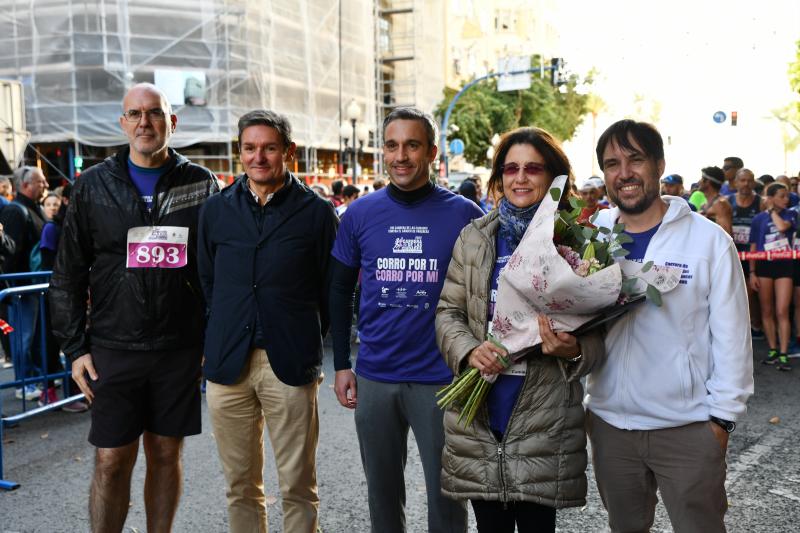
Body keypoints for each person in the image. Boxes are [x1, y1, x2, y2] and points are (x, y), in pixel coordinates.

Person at [49, 82, 219, 533]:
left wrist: (211, 340)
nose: (146, 122)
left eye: (155, 113)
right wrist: (75, 349)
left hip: (178, 347)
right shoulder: (92, 186)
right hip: (113, 346)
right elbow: (67, 273)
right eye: (136, 114)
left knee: (166, 455)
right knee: (110, 460)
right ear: (122, 123)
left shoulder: (200, 184)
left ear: (172, 121)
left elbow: (218, 270)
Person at [586, 119, 754, 533]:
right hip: (611, 428)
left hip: (688, 429)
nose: (623, 172)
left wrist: (721, 421)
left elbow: (733, 338)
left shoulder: (709, 242)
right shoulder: (591, 237)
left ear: (659, 165)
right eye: (612, 163)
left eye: (635, 159)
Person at [435, 127, 606, 533]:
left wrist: (572, 349)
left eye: (533, 168)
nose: (520, 178)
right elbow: (448, 312)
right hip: (478, 412)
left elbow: (599, 334)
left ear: (553, 177)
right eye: (510, 168)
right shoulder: (475, 238)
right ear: (499, 177)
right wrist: (468, 351)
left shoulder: (579, 242)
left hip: (543, 416)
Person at [329, 106, 482, 533]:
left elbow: (482, 292)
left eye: (412, 145)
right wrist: (342, 363)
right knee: (381, 494)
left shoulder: (465, 213)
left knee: (448, 496)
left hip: (442, 376)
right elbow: (339, 291)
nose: (401, 155)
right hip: (376, 375)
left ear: (432, 151)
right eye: (392, 145)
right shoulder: (359, 214)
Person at [198, 109, 337, 533]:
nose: (259, 157)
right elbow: (207, 282)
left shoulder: (316, 213)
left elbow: (330, 292)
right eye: (249, 148)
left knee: (297, 485)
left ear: (288, 152)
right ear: (239, 153)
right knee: (239, 485)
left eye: (269, 148)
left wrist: (302, 334)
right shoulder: (216, 210)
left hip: (290, 365)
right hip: (228, 365)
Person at [37, 183, 88, 413]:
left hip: (73, 294)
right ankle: (48, 392)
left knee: (76, 341)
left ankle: (74, 391)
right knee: (51, 341)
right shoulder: (53, 228)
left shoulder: (78, 224)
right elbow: (51, 263)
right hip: (52, 294)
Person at [0, 165, 49, 401]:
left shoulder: (33, 208)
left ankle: (33, 378)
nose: (45, 185)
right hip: (21, 288)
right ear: (26, 185)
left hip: (32, 286)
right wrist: (10, 290)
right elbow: (9, 254)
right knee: (22, 337)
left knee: (32, 337)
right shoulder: (15, 212)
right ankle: (24, 382)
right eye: (40, 182)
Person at [749, 182, 795, 371]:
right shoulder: (758, 219)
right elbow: (753, 246)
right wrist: (752, 272)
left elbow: (783, 227)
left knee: (782, 310)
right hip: (764, 267)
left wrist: (772, 211)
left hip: (785, 266)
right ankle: (773, 349)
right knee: (766, 311)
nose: (787, 199)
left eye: (787, 196)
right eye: (782, 196)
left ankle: (784, 353)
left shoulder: (791, 214)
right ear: (771, 197)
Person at [728, 168, 764, 339]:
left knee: (753, 291)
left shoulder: (760, 202)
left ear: (754, 182)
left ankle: (757, 324)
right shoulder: (727, 202)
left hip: (754, 254)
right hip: (735, 253)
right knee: (736, 291)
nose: (746, 184)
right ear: (735, 182)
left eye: (749, 180)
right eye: (742, 180)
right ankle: (744, 325)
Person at [699, 166, 733, 236]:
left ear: (707, 182)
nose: (699, 181)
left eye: (701, 178)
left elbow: (727, 235)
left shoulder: (721, 204)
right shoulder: (704, 205)